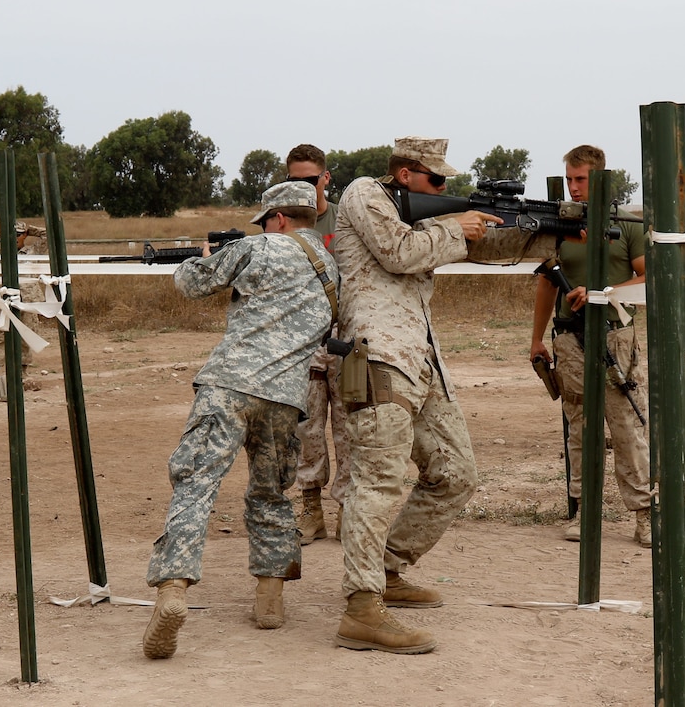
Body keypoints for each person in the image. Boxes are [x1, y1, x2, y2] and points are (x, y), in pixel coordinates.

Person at [142, 181, 337, 659]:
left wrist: (204, 255)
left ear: (277, 218)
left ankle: (173, 591)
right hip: (286, 399)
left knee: (196, 485)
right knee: (271, 492)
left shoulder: (257, 247)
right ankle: (269, 600)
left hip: (228, 388)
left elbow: (191, 283)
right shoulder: (331, 267)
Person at [332, 136, 502, 655]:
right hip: (377, 356)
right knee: (378, 478)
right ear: (405, 175)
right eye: (437, 181)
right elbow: (398, 253)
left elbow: (479, 246)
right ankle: (362, 607)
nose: (445, 189)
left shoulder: (423, 219)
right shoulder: (364, 193)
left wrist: (549, 232)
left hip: (421, 362)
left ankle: (385, 568)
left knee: (456, 473)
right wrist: (454, 227)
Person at [530, 145, 652, 547]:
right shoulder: (559, 227)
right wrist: (536, 340)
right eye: (569, 179)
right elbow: (547, 282)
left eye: (581, 179)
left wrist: (602, 292)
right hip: (569, 338)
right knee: (580, 429)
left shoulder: (627, 225)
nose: (574, 187)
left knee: (626, 427)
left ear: (599, 179)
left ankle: (643, 513)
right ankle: (586, 513)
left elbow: (648, 279)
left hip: (615, 335)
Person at [285, 143, 352, 545]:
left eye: (311, 179)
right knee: (307, 427)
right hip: (303, 339)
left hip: (344, 334)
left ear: (325, 177)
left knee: (348, 427)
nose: (305, 187)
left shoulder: (345, 217)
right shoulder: (283, 222)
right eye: (296, 180)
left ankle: (347, 508)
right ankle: (311, 509)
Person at [0, 222, 48, 391]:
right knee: (2, 335)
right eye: (13, 234)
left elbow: (49, 235)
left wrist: (31, 229)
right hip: (8, 300)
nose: (16, 238)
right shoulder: (3, 253)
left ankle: (23, 372)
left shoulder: (33, 251)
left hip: (29, 300)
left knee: (27, 335)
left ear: (25, 235)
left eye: (19, 234)